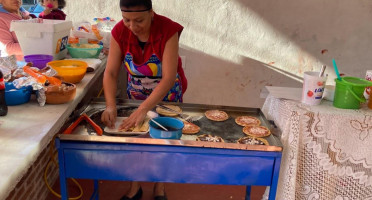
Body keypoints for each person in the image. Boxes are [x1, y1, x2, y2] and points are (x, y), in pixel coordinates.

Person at [101, 0, 187, 199]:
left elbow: (167, 77)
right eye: (127, 20)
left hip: (167, 94)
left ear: (151, 13)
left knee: (166, 140)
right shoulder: (119, 32)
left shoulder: (168, 30)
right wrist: (110, 105)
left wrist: (143, 110)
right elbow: (111, 72)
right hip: (136, 92)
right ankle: (135, 187)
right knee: (135, 140)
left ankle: (160, 186)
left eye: (139, 20)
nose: (132, 26)